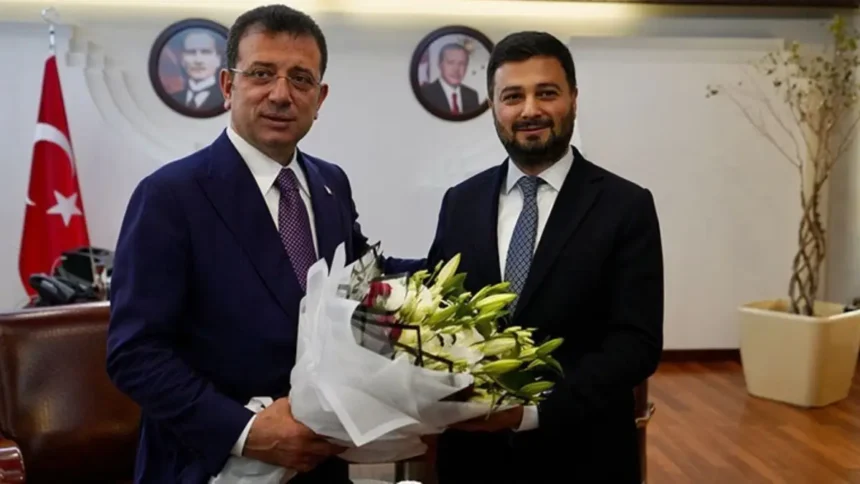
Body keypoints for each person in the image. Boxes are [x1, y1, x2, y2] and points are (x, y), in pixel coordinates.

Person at [106, 5, 419, 484]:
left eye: (301, 79)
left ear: (320, 96)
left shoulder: (331, 184)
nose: (280, 94)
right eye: (261, 74)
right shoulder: (169, 196)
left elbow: (362, 276)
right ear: (227, 85)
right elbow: (135, 353)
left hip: (318, 463)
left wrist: (461, 257)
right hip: (209, 465)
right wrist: (245, 431)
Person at [425, 31, 664, 483]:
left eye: (547, 93)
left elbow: (637, 344)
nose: (530, 110)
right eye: (513, 96)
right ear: (493, 107)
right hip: (472, 458)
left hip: (585, 455)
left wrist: (531, 411)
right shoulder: (460, 201)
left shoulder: (626, 206)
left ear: (573, 98)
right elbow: (440, 315)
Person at [170, 29, 224, 112]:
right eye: (191, 52)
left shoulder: (229, 99)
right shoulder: (174, 98)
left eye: (205, 52)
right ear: (182, 60)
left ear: (218, 60)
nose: (198, 60)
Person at [420, 43, 480, 114]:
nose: (456, 69)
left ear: (466, 67)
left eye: (462, 63)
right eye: (451, 62)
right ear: (440, 64)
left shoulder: (472, 95)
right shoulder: (425, 94)